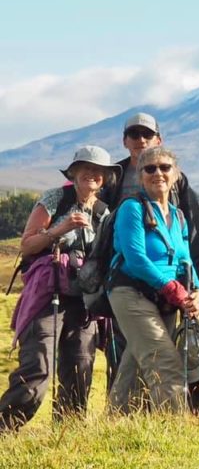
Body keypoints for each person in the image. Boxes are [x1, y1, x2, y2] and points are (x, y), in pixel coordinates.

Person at [0, 146, 120, 431]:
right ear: (74, 173)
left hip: (85, 301)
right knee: (37, 368)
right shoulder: (56, 199)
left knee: (81, 366)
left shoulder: (105, 213)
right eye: (85, 168)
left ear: (105, 178)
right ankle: (5, 427)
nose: (92, 174)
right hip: (47, 295)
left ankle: (68, 435)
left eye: (98, 171)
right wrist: (60, 229)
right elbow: (27, 245)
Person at [101, 112, 199, 392]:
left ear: (175, 174)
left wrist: (197, 290)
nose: (157, 173)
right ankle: (178, 433)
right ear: (141, 174)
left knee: (133, 367)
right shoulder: (131, 209)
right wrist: (172, 288)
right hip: (131, 292)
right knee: (166, 365)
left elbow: (185, 259)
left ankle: (116, 425)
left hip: (166, 298)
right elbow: (135, 259)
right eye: (149, 169)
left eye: (164, 167)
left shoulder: (177, 215)